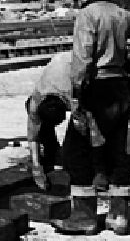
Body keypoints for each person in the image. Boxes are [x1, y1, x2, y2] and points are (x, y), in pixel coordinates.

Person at [53, 0, 130, 236]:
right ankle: (119, 216)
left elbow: (82, 58)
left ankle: (84, 217)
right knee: (116, 149)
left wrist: (77, 93)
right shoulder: (122, 13)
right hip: (120, 87)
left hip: (95, 88)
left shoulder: (87, 15)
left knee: (77, 152)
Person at [26, 50, 106, 193]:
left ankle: (95, 165)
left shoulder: (74, 94)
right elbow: (33, 137)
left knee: (82, 131)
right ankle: (53, 153)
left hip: (84, 64)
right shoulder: (35, 101)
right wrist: (36, 166)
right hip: (59, 68)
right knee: (46, 132)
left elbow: (93, 128)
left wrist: (99, 165)